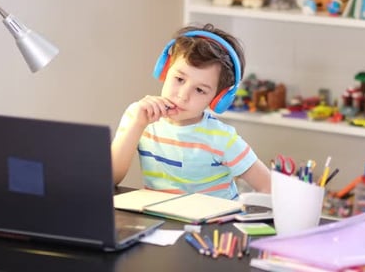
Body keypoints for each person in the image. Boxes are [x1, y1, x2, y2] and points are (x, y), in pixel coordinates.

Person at [111, 23, 271, 200]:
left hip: (215, 225)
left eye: (200, 90)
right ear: (164, 70)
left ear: (218, 99)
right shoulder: (139, 117)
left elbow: (269, 187)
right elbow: (110, 179)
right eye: (179, 79)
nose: (183, 95)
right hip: (162, 222)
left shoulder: (223, 139)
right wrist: (137, 124)